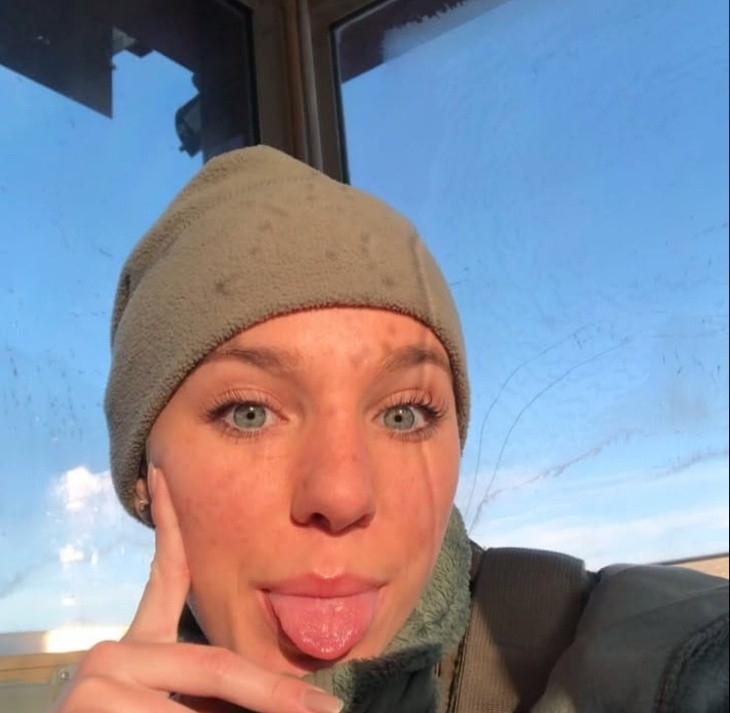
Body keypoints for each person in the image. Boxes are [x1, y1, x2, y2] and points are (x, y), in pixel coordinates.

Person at [53, 146, 728, 713]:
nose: (342, 494)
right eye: (248, 412)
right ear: (143, 478)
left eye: (404, 413)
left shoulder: (662, 658)